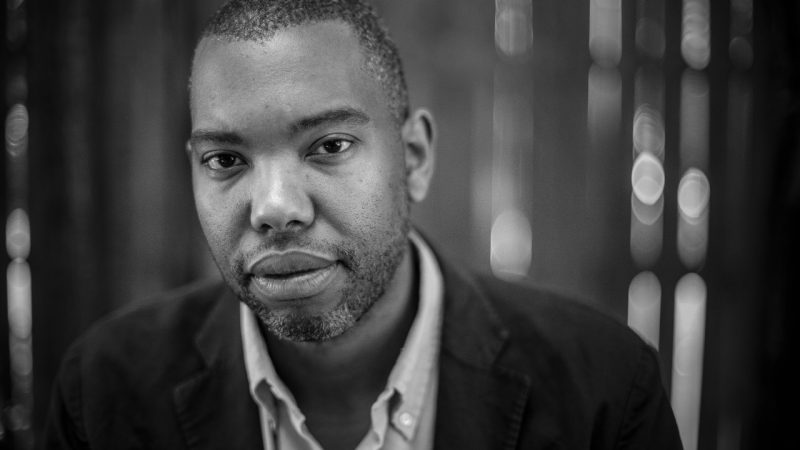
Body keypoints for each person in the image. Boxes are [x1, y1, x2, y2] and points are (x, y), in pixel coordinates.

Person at [45, 0, 683, 448]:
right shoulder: (104, 392)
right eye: (226, 160)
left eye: (328, 147)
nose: (273, 208)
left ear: (415, 159)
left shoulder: (602, 390)